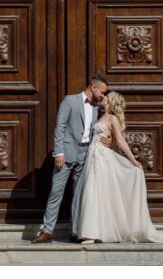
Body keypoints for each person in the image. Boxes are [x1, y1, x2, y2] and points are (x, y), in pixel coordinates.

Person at [72, 91, 163, 244]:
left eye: (107, 96)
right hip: (92, 157)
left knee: (98, 192)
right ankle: (91, 231)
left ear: (111, 101)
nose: (104, 97)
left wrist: (133, 160)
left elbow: (120, 141)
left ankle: (94, 234)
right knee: (91, 192)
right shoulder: (99, 115)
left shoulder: (112, 119)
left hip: (102, 158)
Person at [32, 74, 109, 244]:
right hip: (67, 153)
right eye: (102, 92)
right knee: (56, 192)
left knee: (79, 194)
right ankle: (47, 231)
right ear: (93, 87)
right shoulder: (70, 101)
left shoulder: (97, 107)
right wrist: (59, 152)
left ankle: (76, 231)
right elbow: (60, 126)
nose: (103, 95)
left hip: (86, 154)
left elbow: (101, 127)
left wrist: (108, 140)